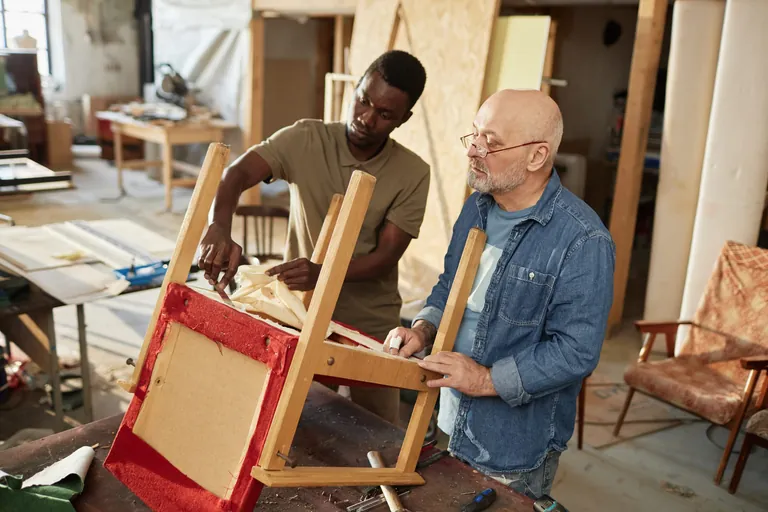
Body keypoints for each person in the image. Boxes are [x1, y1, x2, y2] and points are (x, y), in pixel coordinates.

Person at [384, 89, 615, 499]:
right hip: (447, 416)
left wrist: (485, 379)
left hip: (510, 444)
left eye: (490, 141)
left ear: (537, 157)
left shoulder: (583, 240)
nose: (473, 149)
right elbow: (449, 285)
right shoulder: (477, 207)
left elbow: (576, 351)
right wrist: (422, 328)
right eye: (474, 135)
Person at [198, 50, 430, 425]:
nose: (366, 118)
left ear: (404, 118)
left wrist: (323, 272)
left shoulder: (413, 172)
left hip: (369, 321)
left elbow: (386, 256)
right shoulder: (305, 138)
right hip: (297, 309)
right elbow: (236, 175)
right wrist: (219, 226)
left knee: (378, 434)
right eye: (363, 100)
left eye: (385, 114)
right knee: (289, 422)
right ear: (355, 88)